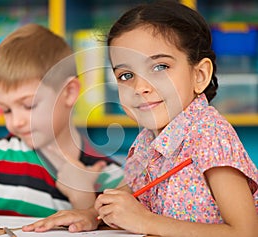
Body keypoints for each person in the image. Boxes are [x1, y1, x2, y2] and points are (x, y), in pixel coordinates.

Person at [23, 1, 258, 236]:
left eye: (160, 67)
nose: (140, 87)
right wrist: (92, 216)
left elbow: (245, 232)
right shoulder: (150, 140)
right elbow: (138, 196)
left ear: (199, 75)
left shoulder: (210, 136)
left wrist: (145, 222)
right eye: (126, 75)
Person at [0, 23, 124, 219]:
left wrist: (84, 198)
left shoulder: (111, 176)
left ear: (69, 92)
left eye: (29, 105)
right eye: (6, 109)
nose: (16, 121)